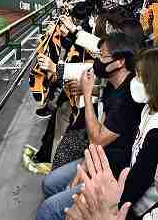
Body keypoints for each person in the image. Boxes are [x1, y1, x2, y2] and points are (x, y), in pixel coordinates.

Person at [37, 33, 144, 220]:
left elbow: (97, 138)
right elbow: (98, 138)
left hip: (111, 170)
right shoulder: (113, 84)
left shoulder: (126, 99)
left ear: (119, 62)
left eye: (102, 57)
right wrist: (83, 169)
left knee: (48, 209)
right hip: (97, 157)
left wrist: (87, 94)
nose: (98, 62)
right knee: (49, 183)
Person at [118, 48, 158, 219]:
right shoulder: (148, 108)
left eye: (140, 77)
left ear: (156, 82)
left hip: (138, 208)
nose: (135, 81)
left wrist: (115, 205)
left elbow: (139, 181)